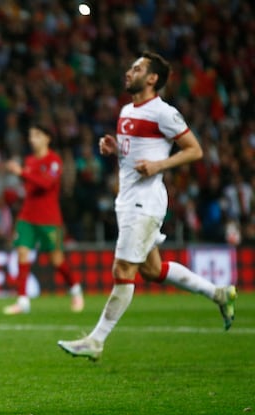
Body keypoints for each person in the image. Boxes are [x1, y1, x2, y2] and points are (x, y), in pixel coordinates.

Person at [57, 51, 237, 361]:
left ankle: (96, 340)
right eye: (131, 66)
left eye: (137, 68)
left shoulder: (163, 112)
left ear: (152, 79)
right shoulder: (127, 110)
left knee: (122, 270)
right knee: (152, 270)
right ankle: (218, 293)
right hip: (127, 199)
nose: (129, 71)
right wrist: (115, 150)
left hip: (145, 201)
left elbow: (195, 150)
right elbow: (133, 155)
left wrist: (159, 165)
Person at [2, 124, 84, 315]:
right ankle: (22, 301)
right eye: (31, 135)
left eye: (37, 135)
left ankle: (76, 290)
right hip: (27, 216)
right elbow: (31, 187)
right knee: (22, 254)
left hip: (49, 219)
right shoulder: (29, 160)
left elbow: (47, 184)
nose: (33, 139)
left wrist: (22, 173)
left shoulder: (54, 161)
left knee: (57, 260)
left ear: (47, 138)